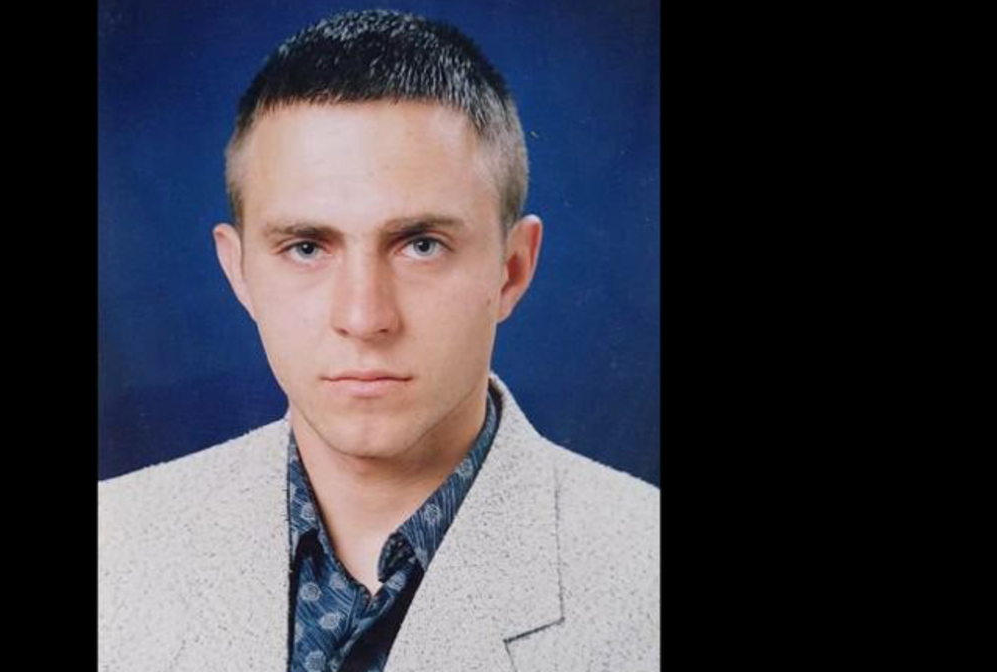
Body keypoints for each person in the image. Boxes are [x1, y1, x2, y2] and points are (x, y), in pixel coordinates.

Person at [98, 9, 658, 672]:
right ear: (239, 272)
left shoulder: (644, 574)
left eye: (421, 245)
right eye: (307, 247)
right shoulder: (113, 548)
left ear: (511, 270)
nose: (364, 318)